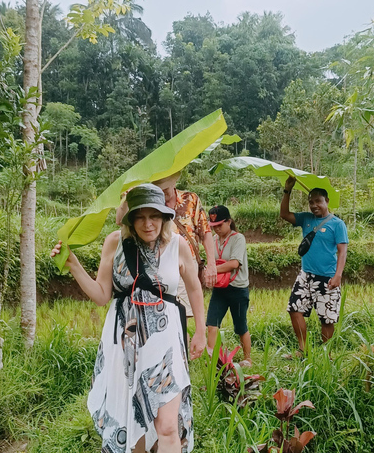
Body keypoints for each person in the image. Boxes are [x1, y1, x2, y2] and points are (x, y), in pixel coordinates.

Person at [51, 184, 206, 453]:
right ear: (130, 219)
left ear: (165, 217)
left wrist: (201, 332)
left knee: (167, 427)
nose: (148, 224)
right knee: (131, 428)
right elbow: (102, 295)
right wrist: (74, 266)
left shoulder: (177, 245)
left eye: (154, 216)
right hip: (124, 345)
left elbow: (194, 287)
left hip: (165, 345)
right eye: (140, 216)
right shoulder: (115, 242)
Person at [117, 173, 217, 317]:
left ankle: (182, 339)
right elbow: (120, 220)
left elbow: (205, 231)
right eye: (158, 188)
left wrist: (211, 264)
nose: (162, 192)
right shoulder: (149, 202)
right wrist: (129, 196)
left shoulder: (190, 199)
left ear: (174, 183)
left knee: (183, 314)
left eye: (165, 188)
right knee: (158, 313)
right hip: (156, 264)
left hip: (186, 262)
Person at [280, 176, 348, 357]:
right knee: (295, 309)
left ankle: (326, 354)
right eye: (311, 202)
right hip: (306, 275)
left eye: (318, 201)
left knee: (326, 318)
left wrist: (338, 275)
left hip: (327, 277)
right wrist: (288, 190)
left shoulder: (337, 224)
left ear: (327, 201)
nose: (314, 205)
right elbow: (284, 215)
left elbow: (342, 251)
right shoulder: (306, 219)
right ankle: (303, 350)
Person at [205, 205, 252, 367]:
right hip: (220, 289)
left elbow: (234, 263)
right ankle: (212, 361)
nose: (216, 229)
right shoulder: (213, 240)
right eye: (213, 226)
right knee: (212, 324)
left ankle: (248, 358)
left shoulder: (238, 238)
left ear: (229, 222)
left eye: (219, 225)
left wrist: (211, 270)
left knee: (240, 326)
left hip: (238, 289)